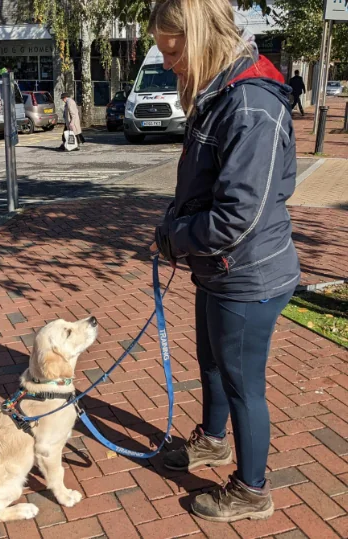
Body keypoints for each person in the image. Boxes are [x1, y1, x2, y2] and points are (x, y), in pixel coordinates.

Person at [148, 0, 300, 524]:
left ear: (200, 36)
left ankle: (252, 491)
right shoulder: (222, 90)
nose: (168, 64)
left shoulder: (251, 104)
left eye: (173, 51)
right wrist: (173, 230)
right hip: (218, 268)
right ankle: (213, 442)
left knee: (242, 384)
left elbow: (238, 216)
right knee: (210, 364)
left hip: (248, 274)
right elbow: (200, 184)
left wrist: (175, 240)